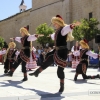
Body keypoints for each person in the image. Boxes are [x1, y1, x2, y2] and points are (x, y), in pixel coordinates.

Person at [29, 15, 79, 92]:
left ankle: (62, 85)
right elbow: (53, 36)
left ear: (59, 23)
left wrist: (73, 25)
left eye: (55, 23)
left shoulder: (62, 30)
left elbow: (67, 28)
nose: (54, 25)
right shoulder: (57, 32)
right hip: (56, 51)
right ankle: (37, 72)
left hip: (62, 52)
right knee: (48, 60)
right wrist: (48, 35)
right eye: (53, 23)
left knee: (60, 70)